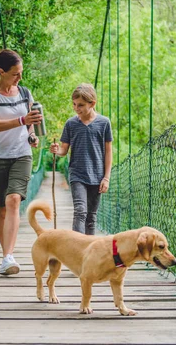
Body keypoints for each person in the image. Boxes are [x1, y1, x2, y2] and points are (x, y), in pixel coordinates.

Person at [0, 48, 42, 275]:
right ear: (1, 71)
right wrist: (22, 119)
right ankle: (5, 254)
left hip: (22, 154)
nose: (20, 78)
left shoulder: (25, 93)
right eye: (15, 73)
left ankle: (8, 257)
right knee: (2, 208)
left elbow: (30, 124)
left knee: (14, 199)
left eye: (21, 73)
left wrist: (32, 134)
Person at [49, 83, 112, 235]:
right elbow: (64, 150)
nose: (76, 108)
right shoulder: (71, 124)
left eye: (81, 105)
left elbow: (108, 151)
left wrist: (106, 178)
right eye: (74, 104)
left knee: (91, 216)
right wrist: (57, 151)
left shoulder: (104, 123)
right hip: (77, 174)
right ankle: (76, 249)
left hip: (97, 175)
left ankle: (89, 252)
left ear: (93, 104)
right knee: (80, 211)